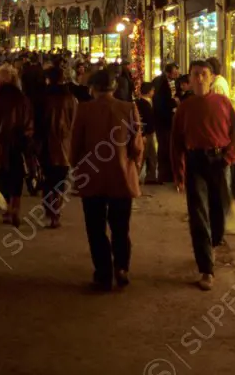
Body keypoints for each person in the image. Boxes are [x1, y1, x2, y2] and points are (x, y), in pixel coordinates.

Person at [171, 60, 235, 291]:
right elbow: (176, 143)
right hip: (195, 162)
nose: (200, 78)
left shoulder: (223, 103)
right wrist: (179, 172)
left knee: (221, 208)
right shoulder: (185, 107)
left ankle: (213, 240)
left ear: (212, 78)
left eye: (204, 74)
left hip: (220, 161)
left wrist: (228, 159)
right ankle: (206, 268)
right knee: (199, 213)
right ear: (189, 80)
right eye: (195, 75)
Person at [70, 69, 144, 291]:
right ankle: (121, 268)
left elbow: (75, 147)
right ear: (114, 88)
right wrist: (134, 166)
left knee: (96, 228)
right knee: (120, 227)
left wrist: (77, 169)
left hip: (92, 178)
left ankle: (103, 274)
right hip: (121, 178)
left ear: (93, 88)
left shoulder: (84, 110)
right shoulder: (129, 108)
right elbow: (137, 146)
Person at [0, 64, 35, 227]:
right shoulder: (23, 100)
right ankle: (15, 208)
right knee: (17, 178)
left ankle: (6, 209)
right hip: (18, 145)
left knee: (3, 178)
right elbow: (29, 123)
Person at [40, 65, 78, 228]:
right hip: (64, 144)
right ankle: (56, 212)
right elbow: (75, 122)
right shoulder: (70, 98)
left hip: (45, 143)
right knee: (60, 180)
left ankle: (49, 208)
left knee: (47, 178)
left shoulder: (42, 97)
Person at [153, 63, 180, 184]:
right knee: (164, 147)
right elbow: (160, 103)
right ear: (169, 72)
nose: (177, 74)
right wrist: (173, 104)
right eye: (175, 72)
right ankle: (164, 174)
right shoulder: (161, 83)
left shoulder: (173, 82)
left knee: (167, 146)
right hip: (163, 121)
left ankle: (167, 174)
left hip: (167, 120)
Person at [135, 82, 158, 185]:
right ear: (149, 91)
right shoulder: (144, 104)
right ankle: (137, 177)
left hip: (147, 133)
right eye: (152, 90)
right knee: (144, 155)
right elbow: (143, 120)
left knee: (151, 155)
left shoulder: (139, 102)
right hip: (146, 133)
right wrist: (143, 134)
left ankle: (151, 176)